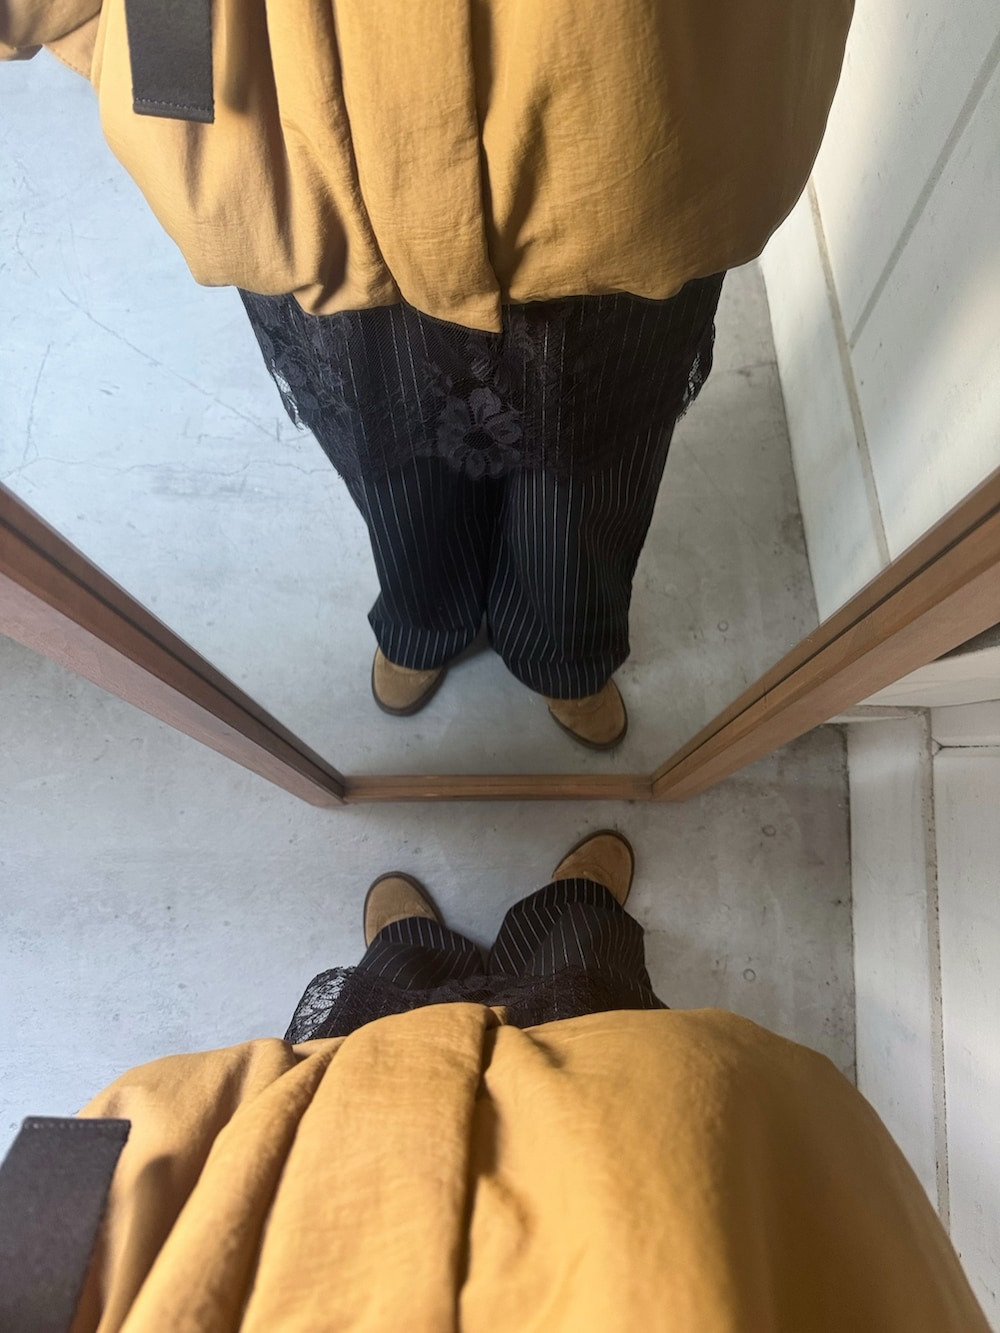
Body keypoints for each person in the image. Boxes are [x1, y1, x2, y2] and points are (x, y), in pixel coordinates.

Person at [1, 0, 855, 747]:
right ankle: (426, 614)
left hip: (625, 109)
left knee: (592, 459)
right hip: (289, 125)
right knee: (386, 452)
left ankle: (563, 645)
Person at [0, 831, 990, 1331]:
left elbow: (45, 1221)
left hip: (287, 1178)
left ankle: (412, 947)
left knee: (375, 1013)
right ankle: (570, 909)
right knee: (594, 995)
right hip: (642, 1172)